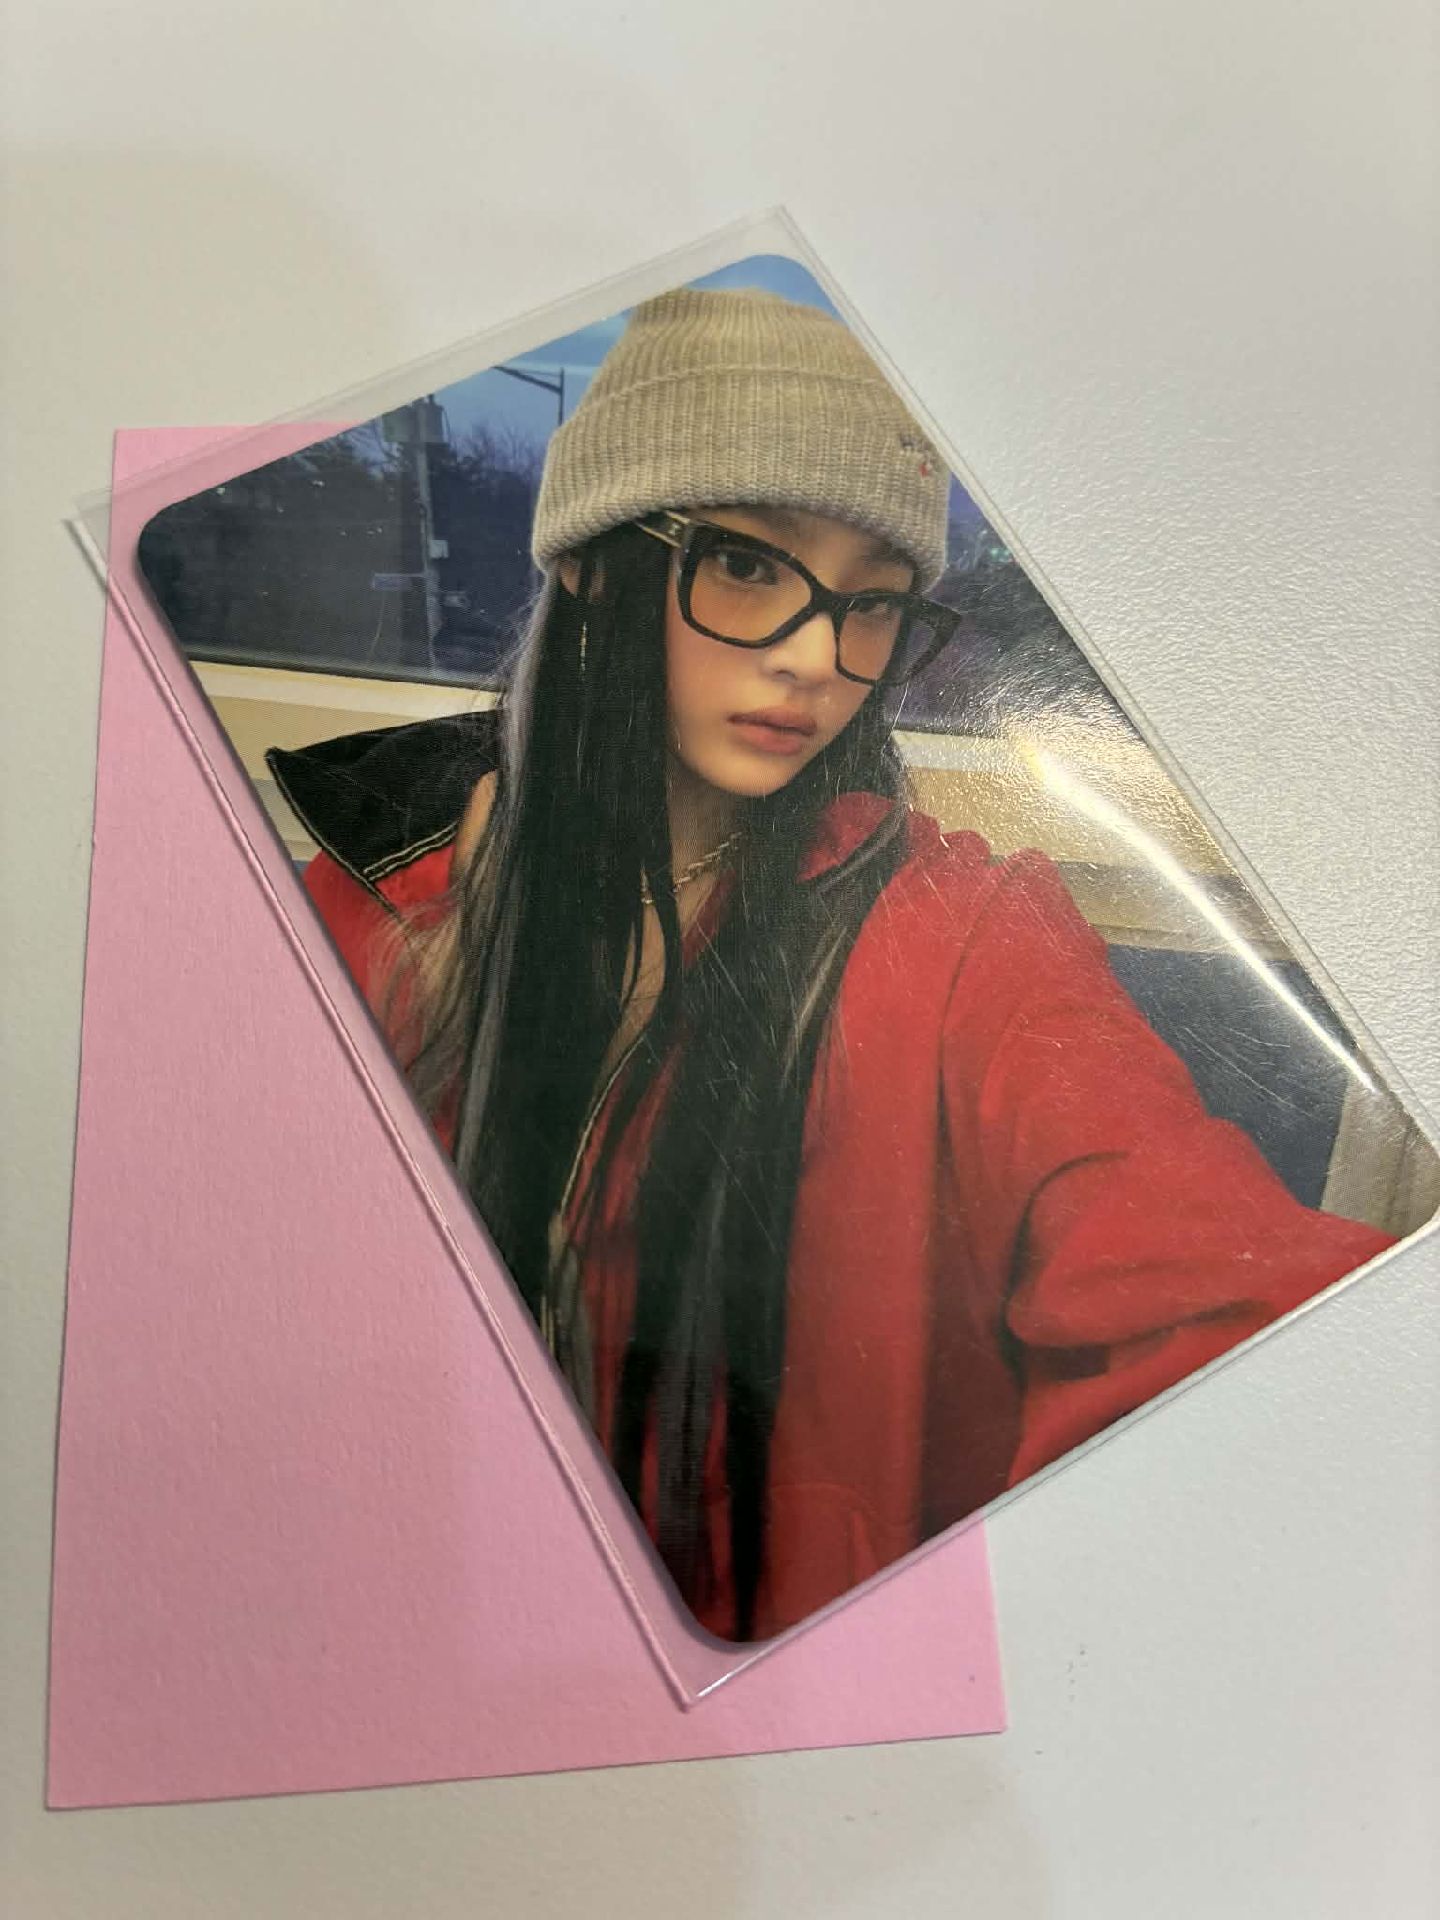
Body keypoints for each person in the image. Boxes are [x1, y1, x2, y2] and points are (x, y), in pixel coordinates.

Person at [269, 288, 1393, 1643]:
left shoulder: (965, 939)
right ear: (596, 564)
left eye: (873, 604)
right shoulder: (356, 906)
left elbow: (1218, 1299)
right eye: (748, 564)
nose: (819, 657)